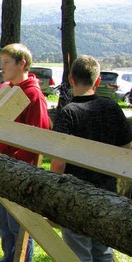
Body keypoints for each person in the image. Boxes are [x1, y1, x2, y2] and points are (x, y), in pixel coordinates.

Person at [0, 43, 50, 262]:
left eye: (6, 63)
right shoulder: (4, 88)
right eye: (1, 62)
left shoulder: (33, 95)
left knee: (18, 227)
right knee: (2, 222)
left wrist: (13, 167)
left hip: (17, 173)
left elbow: (37, 138)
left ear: (22, 64)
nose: (1, 68)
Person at [50, 55, 132, 262]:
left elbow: (58, 163)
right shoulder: (112, 108)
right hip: (107, 194)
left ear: (70, 79)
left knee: (78, 255)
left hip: (74, 197)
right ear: (97, 81)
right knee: (103, 253)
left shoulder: (68, 114)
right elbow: (126, 150)